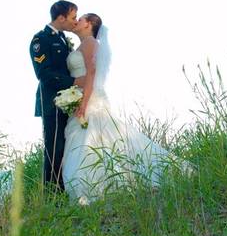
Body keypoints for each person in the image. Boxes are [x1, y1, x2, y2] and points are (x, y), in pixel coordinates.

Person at [62, 13, 191, 204]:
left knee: (90, 141)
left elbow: (92, 73)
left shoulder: (90, 42)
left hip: (88, 99)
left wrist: (83, 102)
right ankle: (91, 187)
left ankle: (89, 188)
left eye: (80, 19)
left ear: (89, 24)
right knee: (94, 141)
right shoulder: (80, 44)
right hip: (80, 96)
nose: (77, 21)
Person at [30, 0, 79, 191]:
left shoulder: (62, 38)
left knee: (66, 147)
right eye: (73, 17)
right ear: (61, 18)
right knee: (54, 149)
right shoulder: (41, 40)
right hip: (51, 102)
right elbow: (44, 73)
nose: (75, 21)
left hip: (69, 101)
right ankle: (52, 195)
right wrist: (74, 83)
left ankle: (66, 190)